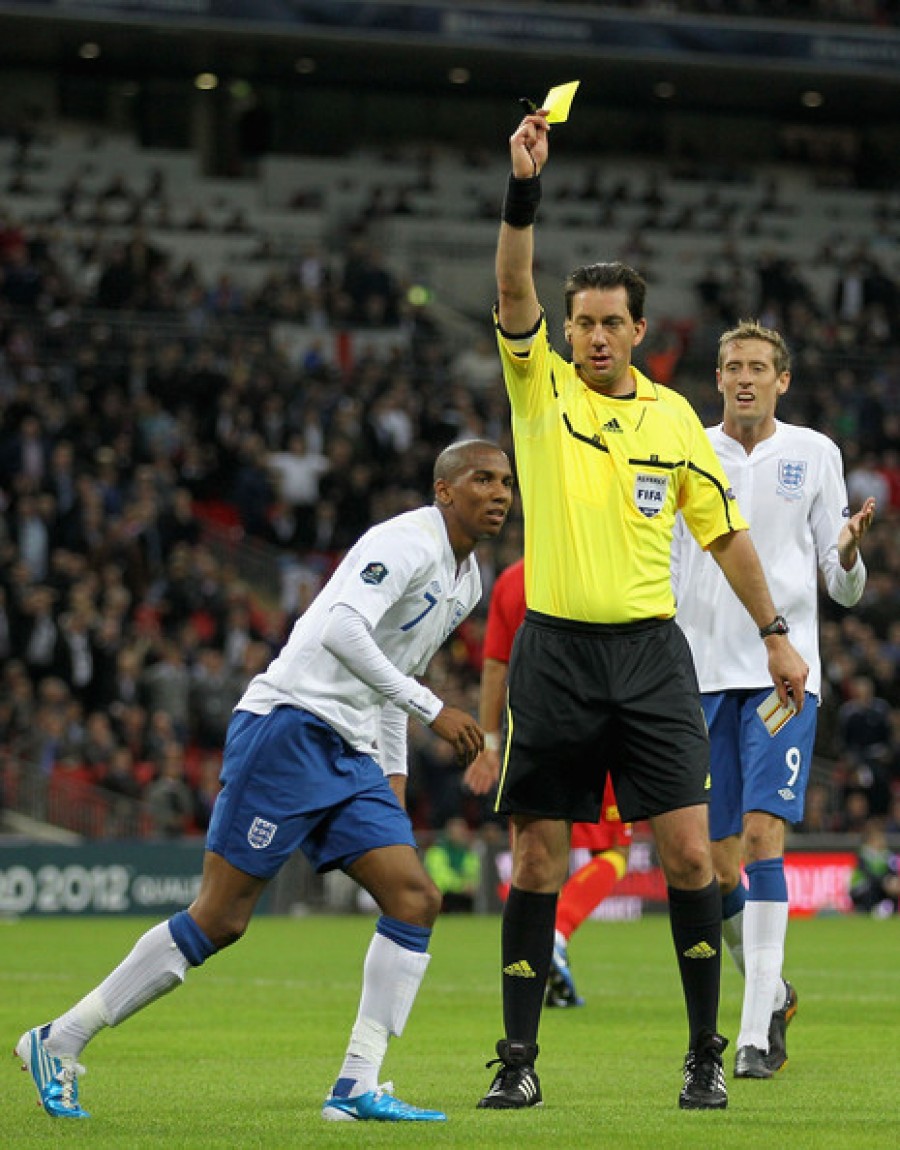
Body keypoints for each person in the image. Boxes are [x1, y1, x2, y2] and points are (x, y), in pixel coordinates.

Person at [15, 438, 514, 1124]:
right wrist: (433, 711)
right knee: (220, 918)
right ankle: (58, 1039)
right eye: (482, 479)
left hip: (352, 751)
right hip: (290, 726)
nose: (499, 493)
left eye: (506, 483)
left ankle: (355, 1086)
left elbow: (399, 672)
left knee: (415, 897)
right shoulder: (406, 542)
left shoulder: (469, 580)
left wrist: (393, 777)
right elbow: (343, 629)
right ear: (444, 491)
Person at [477, 106, 809, 1114]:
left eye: (610, 322)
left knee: (689, 852)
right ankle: (519, 1060)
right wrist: (524, 186)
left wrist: (777, 632)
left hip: (653, 659)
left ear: (638, 331)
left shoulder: (674, 421)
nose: (593, 337)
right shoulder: (541, 393)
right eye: (581, 322)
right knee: (536, 855)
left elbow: (726, 536)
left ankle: (707, 1051)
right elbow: (509, 284)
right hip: (556, 656)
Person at [672, 319, 877, 1079]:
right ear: (718, 377)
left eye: (760, 366)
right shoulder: (688, 447)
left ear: (782, 380)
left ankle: (754, 1030)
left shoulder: (814, 452)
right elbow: (667, 562)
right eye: (734, 367)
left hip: (783, 676)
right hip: (699, 676)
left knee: (764, 837)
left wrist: (850, 550)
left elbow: (840, 582)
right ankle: (777, 989)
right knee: (716, 862)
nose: (747, 378)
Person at [463, 557, 633, 1008]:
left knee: (533, 858)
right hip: (598, 725)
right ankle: (556, 934)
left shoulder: (510, 580)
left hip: (529, 733)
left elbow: (495, 665)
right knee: (613, 852)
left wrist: (489, 743)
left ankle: (531, 967)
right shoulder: (591, 564)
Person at [423, 815, 482, 913]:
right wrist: (462, 885)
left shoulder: (468, 853)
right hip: (443, 896)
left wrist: (471, 884)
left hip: (465, 896)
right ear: (449, 833)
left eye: (462, 832)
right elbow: (440, 877)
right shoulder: (437, 851)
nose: (461, 835)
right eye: (457, 832)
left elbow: (473, 873)